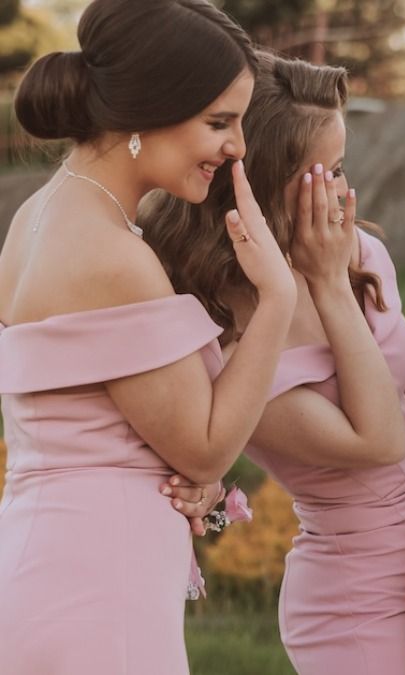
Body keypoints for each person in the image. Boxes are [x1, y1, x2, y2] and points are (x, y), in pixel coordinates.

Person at [144, 51, 405, 675]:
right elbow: (377, 441)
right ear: (261, 184)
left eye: (344, 166)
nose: (345, 190)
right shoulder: (229, 337)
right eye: (330, 172)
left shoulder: (355, 250)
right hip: (357, 605)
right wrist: (328, 284)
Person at [0, 1, 295, 673]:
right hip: (98, 593)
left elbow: (109, 432)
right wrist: (278, 299)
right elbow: (206, 445)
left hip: (50, 568)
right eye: (219, 122)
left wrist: (191, 480)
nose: (238, 146)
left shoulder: (36, 218)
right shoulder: (113, 257)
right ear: (148, 109)